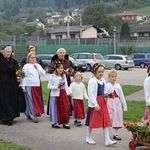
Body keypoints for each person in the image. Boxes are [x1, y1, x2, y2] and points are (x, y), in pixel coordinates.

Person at [85, 63, 116, 146]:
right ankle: (88, 137)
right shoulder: (92, 81)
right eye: (99, 72)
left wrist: (106, 96)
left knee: (105, 120)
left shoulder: (103, 80)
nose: (101, 73)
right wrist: (95, 104)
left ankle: (107, 140)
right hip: (95, 103)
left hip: (103, 102)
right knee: (91, 121)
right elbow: (91, 94)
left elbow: (105, 91)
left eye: (102, 71)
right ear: (95, 71)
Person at [21, 52, 46, 123]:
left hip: (36, 85)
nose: (33, 59)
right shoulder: (26, 66)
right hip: (28, 85)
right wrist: (23, 86)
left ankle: (27, 112)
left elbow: (43, 73)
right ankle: (33, 114)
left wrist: (38, 68)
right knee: (30, 100)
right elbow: (23, 76)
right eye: (31, 57)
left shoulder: (37, 65)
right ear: (28, 58)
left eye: (34, 57)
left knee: (36, 100)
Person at [49, 48, 74, 116]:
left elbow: (73, 69)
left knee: (67, 96)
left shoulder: (68, 61)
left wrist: (69, 71)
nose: (62, 54)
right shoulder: (54, 62)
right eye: (60, 53)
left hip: (67, 80)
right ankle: (57, 110)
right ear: (57, 54)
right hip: (56, 81)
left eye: (63, 53)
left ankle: (68, 110)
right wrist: (59, 72)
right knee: (58, 96)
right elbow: (50, 70)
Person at [47, 61, 71, 129]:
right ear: (56, 69)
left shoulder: (63, 76)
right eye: (59, 68)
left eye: (62, 68)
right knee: (56, 108)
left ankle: (65, 122)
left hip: (63, 94)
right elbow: (48, 86)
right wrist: (56, 87)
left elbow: (66, 85)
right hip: (55, 95)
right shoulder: (52, 76)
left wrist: (69, 92)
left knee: (65, 108)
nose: (61, 69)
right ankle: (56, 122)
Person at [0, 46, 20, 125]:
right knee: (4, 101)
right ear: (3, 52)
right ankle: (5, 117)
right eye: (7, 52)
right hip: (2, 85)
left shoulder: (14, 61)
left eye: (10, 52)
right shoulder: (1, 61)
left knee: (12, 101)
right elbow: (7, 69)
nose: (8, 53)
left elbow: (16, 70)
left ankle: (11, 116)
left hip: (12, 85)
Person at [106, 69, 127, 141]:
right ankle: (107, 131)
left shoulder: (118, 85)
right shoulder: (107, 85)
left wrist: (124, 105)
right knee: (110, 117)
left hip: (117, 103)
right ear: (109, 77)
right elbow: (104, 94)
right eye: (112, 77)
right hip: (110, 103)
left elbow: (121, 95)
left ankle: (115, 133)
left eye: (115, 76)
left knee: (116, 118)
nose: (114, 78)